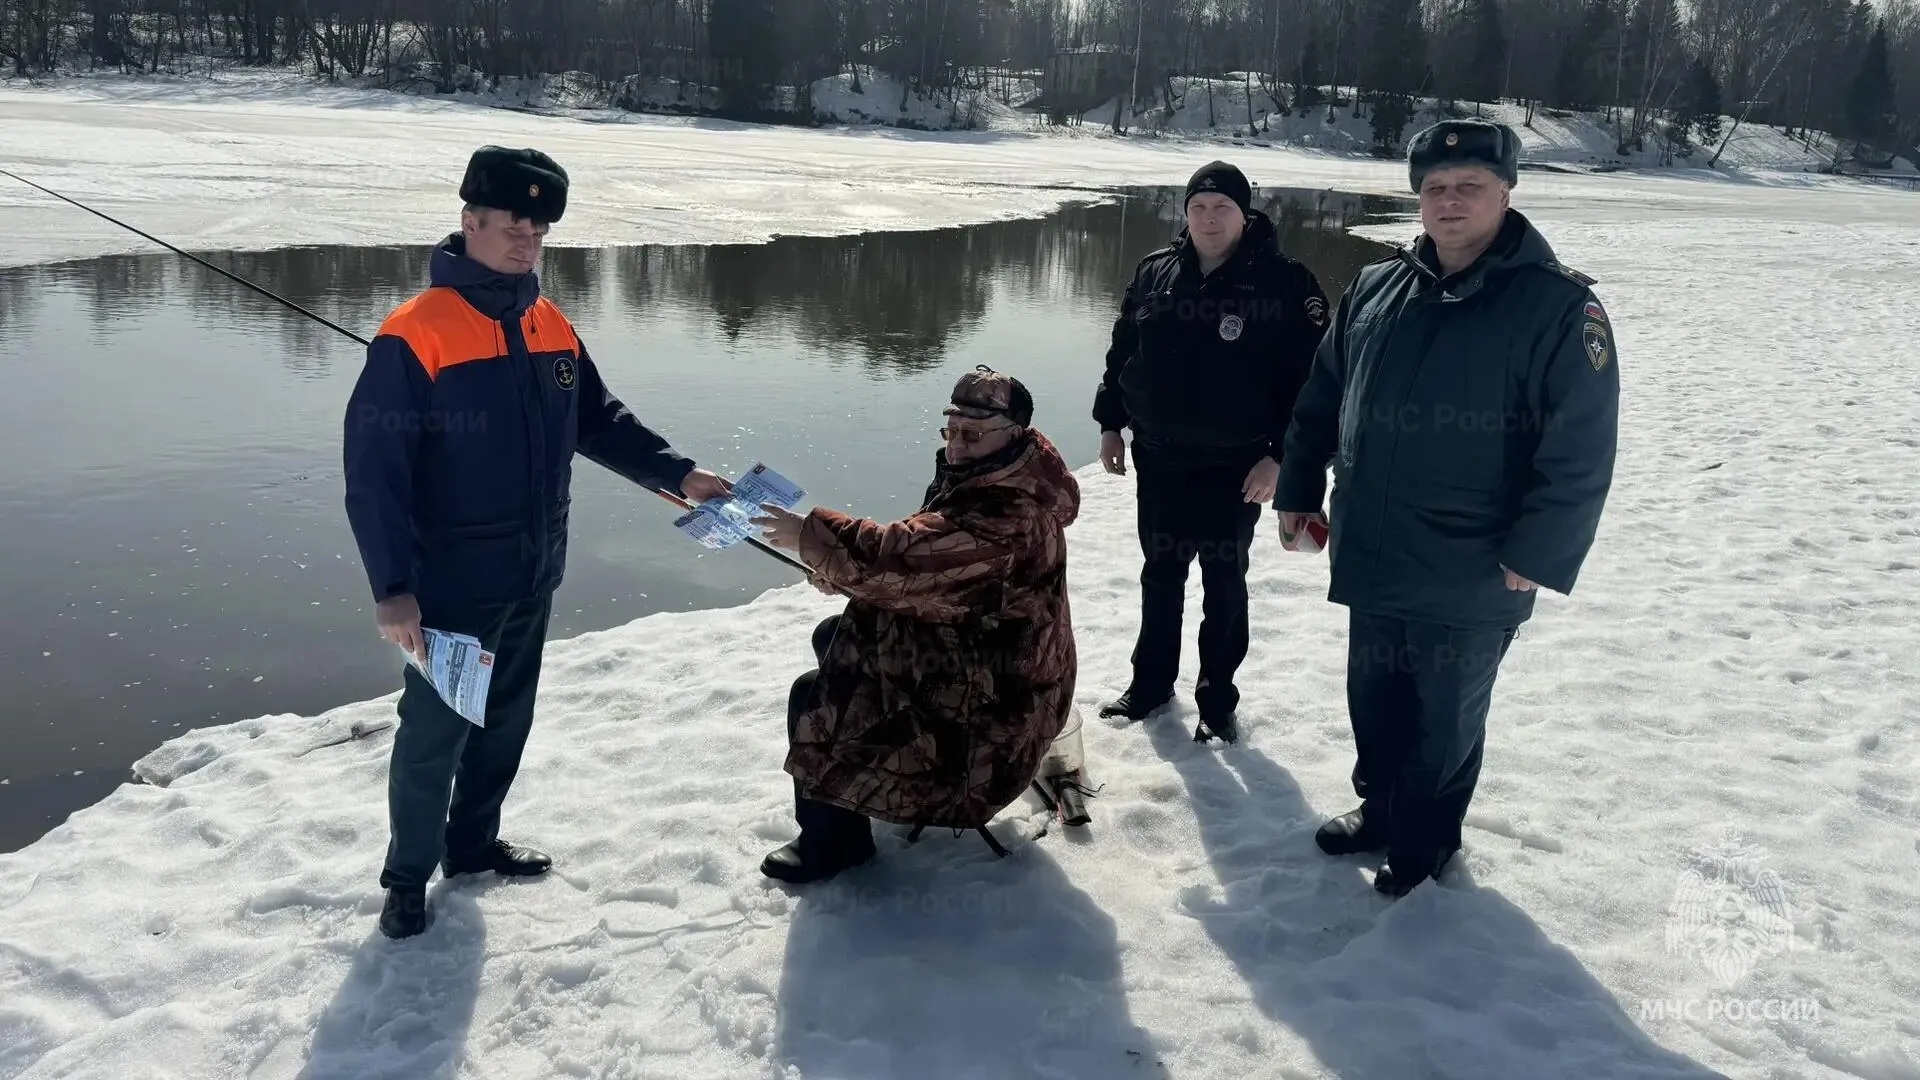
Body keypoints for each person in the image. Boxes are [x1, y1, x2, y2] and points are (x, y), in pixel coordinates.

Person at [343, 145, 731, 939]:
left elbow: (598, 421)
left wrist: (679, 474)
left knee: (505, 720)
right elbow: (374, 474)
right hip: (449, 584)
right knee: (434, 734)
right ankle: (406, 877)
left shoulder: (547, 322)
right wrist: (392, 588)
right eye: (512, 222)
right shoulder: (413, 335)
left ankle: (474, 845)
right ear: (470, 221)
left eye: (539, 226)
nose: (526, 238)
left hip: (532, 570)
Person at [1275, 119, 1620, 897]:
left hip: (1475, 566)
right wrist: (1298, 490)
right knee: (1375, 695)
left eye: (1469, 187)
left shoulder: (1558, 309)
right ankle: (1381, 810)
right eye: (1435, 187)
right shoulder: (1375, 287)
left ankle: (1425, 844)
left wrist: (1539, 553)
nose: (1450, 201)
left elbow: (1580, 449)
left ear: (1506, 193)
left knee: (1445, 718)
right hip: (1373, 547)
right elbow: (1322, 399)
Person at [750, 366, 1079, 884]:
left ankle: (834, 843)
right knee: (834, 637)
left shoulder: (1007, 513)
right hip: (995, 668)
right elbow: (936, 575)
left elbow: (900, 558)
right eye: (951, 430)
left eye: (972, 434)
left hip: (995, 723)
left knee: (813, 691)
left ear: (1013, 434)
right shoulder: (1006, 473)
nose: (957, 445)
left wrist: (809, 535)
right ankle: (853, 784)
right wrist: (847, 577)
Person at [1093, 160, 1332, 744]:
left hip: (1239, 466)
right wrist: (1110, 422)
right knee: (1161, 574)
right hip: (1160, 455)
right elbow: (1124, 348)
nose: (1208, 217)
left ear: (1244, 213)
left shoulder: (1284, 282)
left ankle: (1217, 701)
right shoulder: (1157, 272)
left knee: (1224, 580)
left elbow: (1314, 384)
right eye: (1198, 207)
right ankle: (1149, 686)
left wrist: (1282, 457)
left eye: (1221, 207)